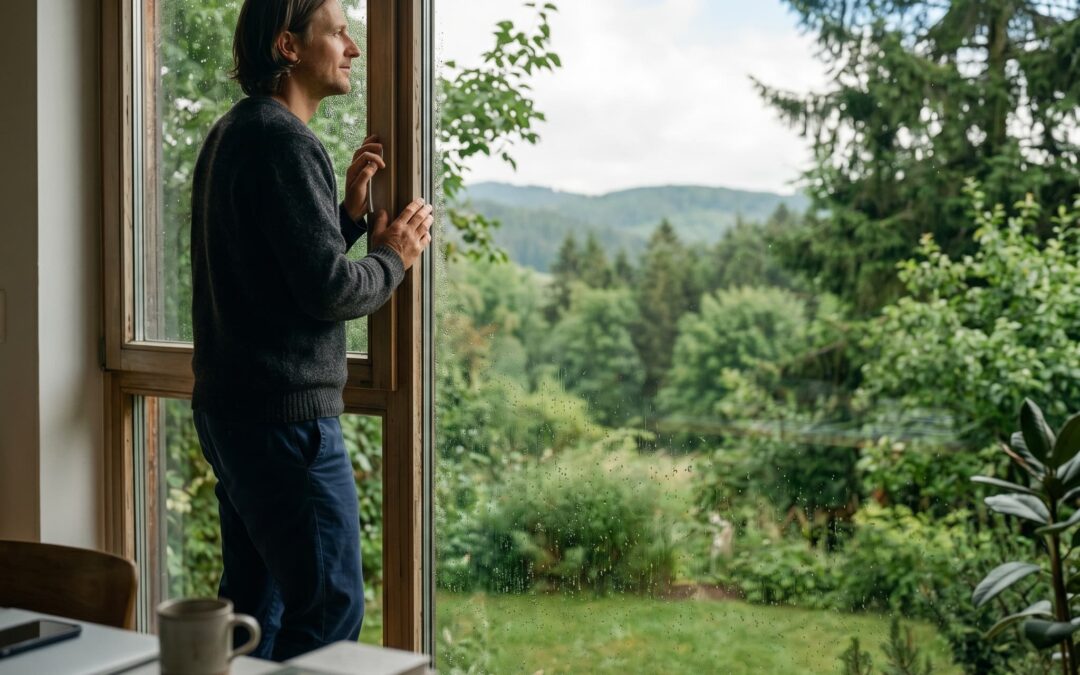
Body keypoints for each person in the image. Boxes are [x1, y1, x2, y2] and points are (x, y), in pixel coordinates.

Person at [188, 0, 432, 661]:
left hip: (233, 414)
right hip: (284, 424)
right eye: (339, 33)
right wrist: (394, 256)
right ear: (289, 46)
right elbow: (329, 291)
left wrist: (346, 218)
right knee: (329, 608)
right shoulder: (285, 141)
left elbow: (272, 275)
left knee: (254, 611)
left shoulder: (235, 131)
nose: (354, 48)